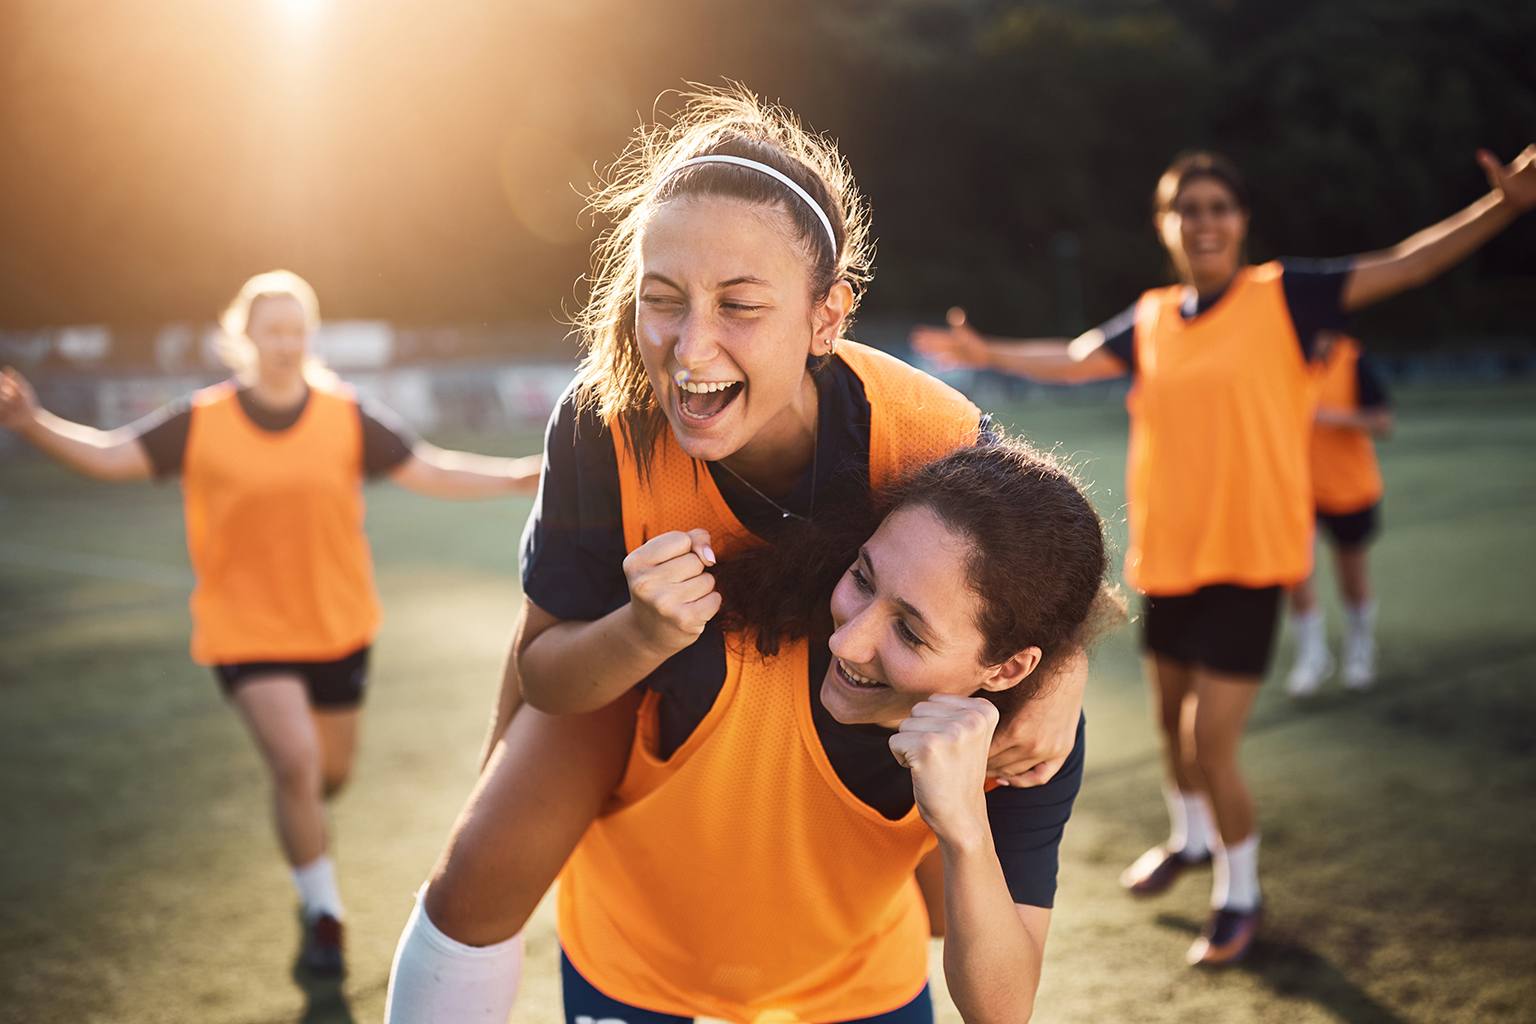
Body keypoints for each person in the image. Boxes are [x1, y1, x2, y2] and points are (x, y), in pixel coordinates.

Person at [383, 89, 1089, 1021]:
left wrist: (1064, 671)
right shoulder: (608, 425)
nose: (689, 348)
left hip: (853, 861)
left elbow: (1031, 563)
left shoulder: (932, 436)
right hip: (656, 776)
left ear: (827, 317)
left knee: (950, 847)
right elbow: (545, 669)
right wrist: (639, 633)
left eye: (740, 305)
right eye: (662, 301)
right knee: (480, 872)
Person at [912, 145, 1536, 964]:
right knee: (1173, 730)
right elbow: (1071, 359)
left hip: (1249, 564)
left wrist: (1508, 207)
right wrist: (988, 354)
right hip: (1171, 564)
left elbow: (1407, 265)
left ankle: (1241, 893)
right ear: (1166, 226)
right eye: (1187, 209)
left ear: (1240, 220)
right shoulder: (1155, 318)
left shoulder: (1288, 297)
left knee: (1212, 743)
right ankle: (1190, 839)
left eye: (1218, 206)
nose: (1204, 221)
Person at [0, 270, 541, 976]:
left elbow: (428, 469)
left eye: (296, 330)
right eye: (271, 329)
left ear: (308, 337)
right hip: (244, 631)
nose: (285, 343)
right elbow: (113, 456)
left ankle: (305, 837)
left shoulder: (346, 415)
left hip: (337, 627)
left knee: (328, 777)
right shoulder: (202, 418)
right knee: (296, 762)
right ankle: (324, 917)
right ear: (244, 337)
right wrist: (31, 422)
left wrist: (519, 474)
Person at [550, 440, 1113, 1024]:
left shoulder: (1026, 744)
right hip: (633, 968)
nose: (847, 641)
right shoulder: (718, 632)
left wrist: (965, 828)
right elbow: (550, 684)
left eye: (912, 634)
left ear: (1008, 668)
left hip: (857, 985)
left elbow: (1001, 1011)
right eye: (863, 580)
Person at [1286, 333, 1394, 697]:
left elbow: (1384, 423)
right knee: (1296, 573)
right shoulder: (1285, 356)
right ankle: (1313, 655)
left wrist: (1328, 416)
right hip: (1297, 488)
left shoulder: (1353, 359)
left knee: (1352, 575)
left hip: (1350, 488)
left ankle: (1360, 650)